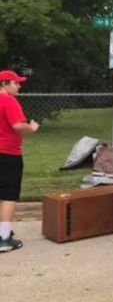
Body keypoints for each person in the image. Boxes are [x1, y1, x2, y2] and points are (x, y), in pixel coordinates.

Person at [0, 70, 39, 253]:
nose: (19, 85)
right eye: (16, 83)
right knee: (9, 195)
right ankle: (4, 239)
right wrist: (31, 127)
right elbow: (17, 125)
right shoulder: (8, 101)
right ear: (5, 84)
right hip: (8, 153)